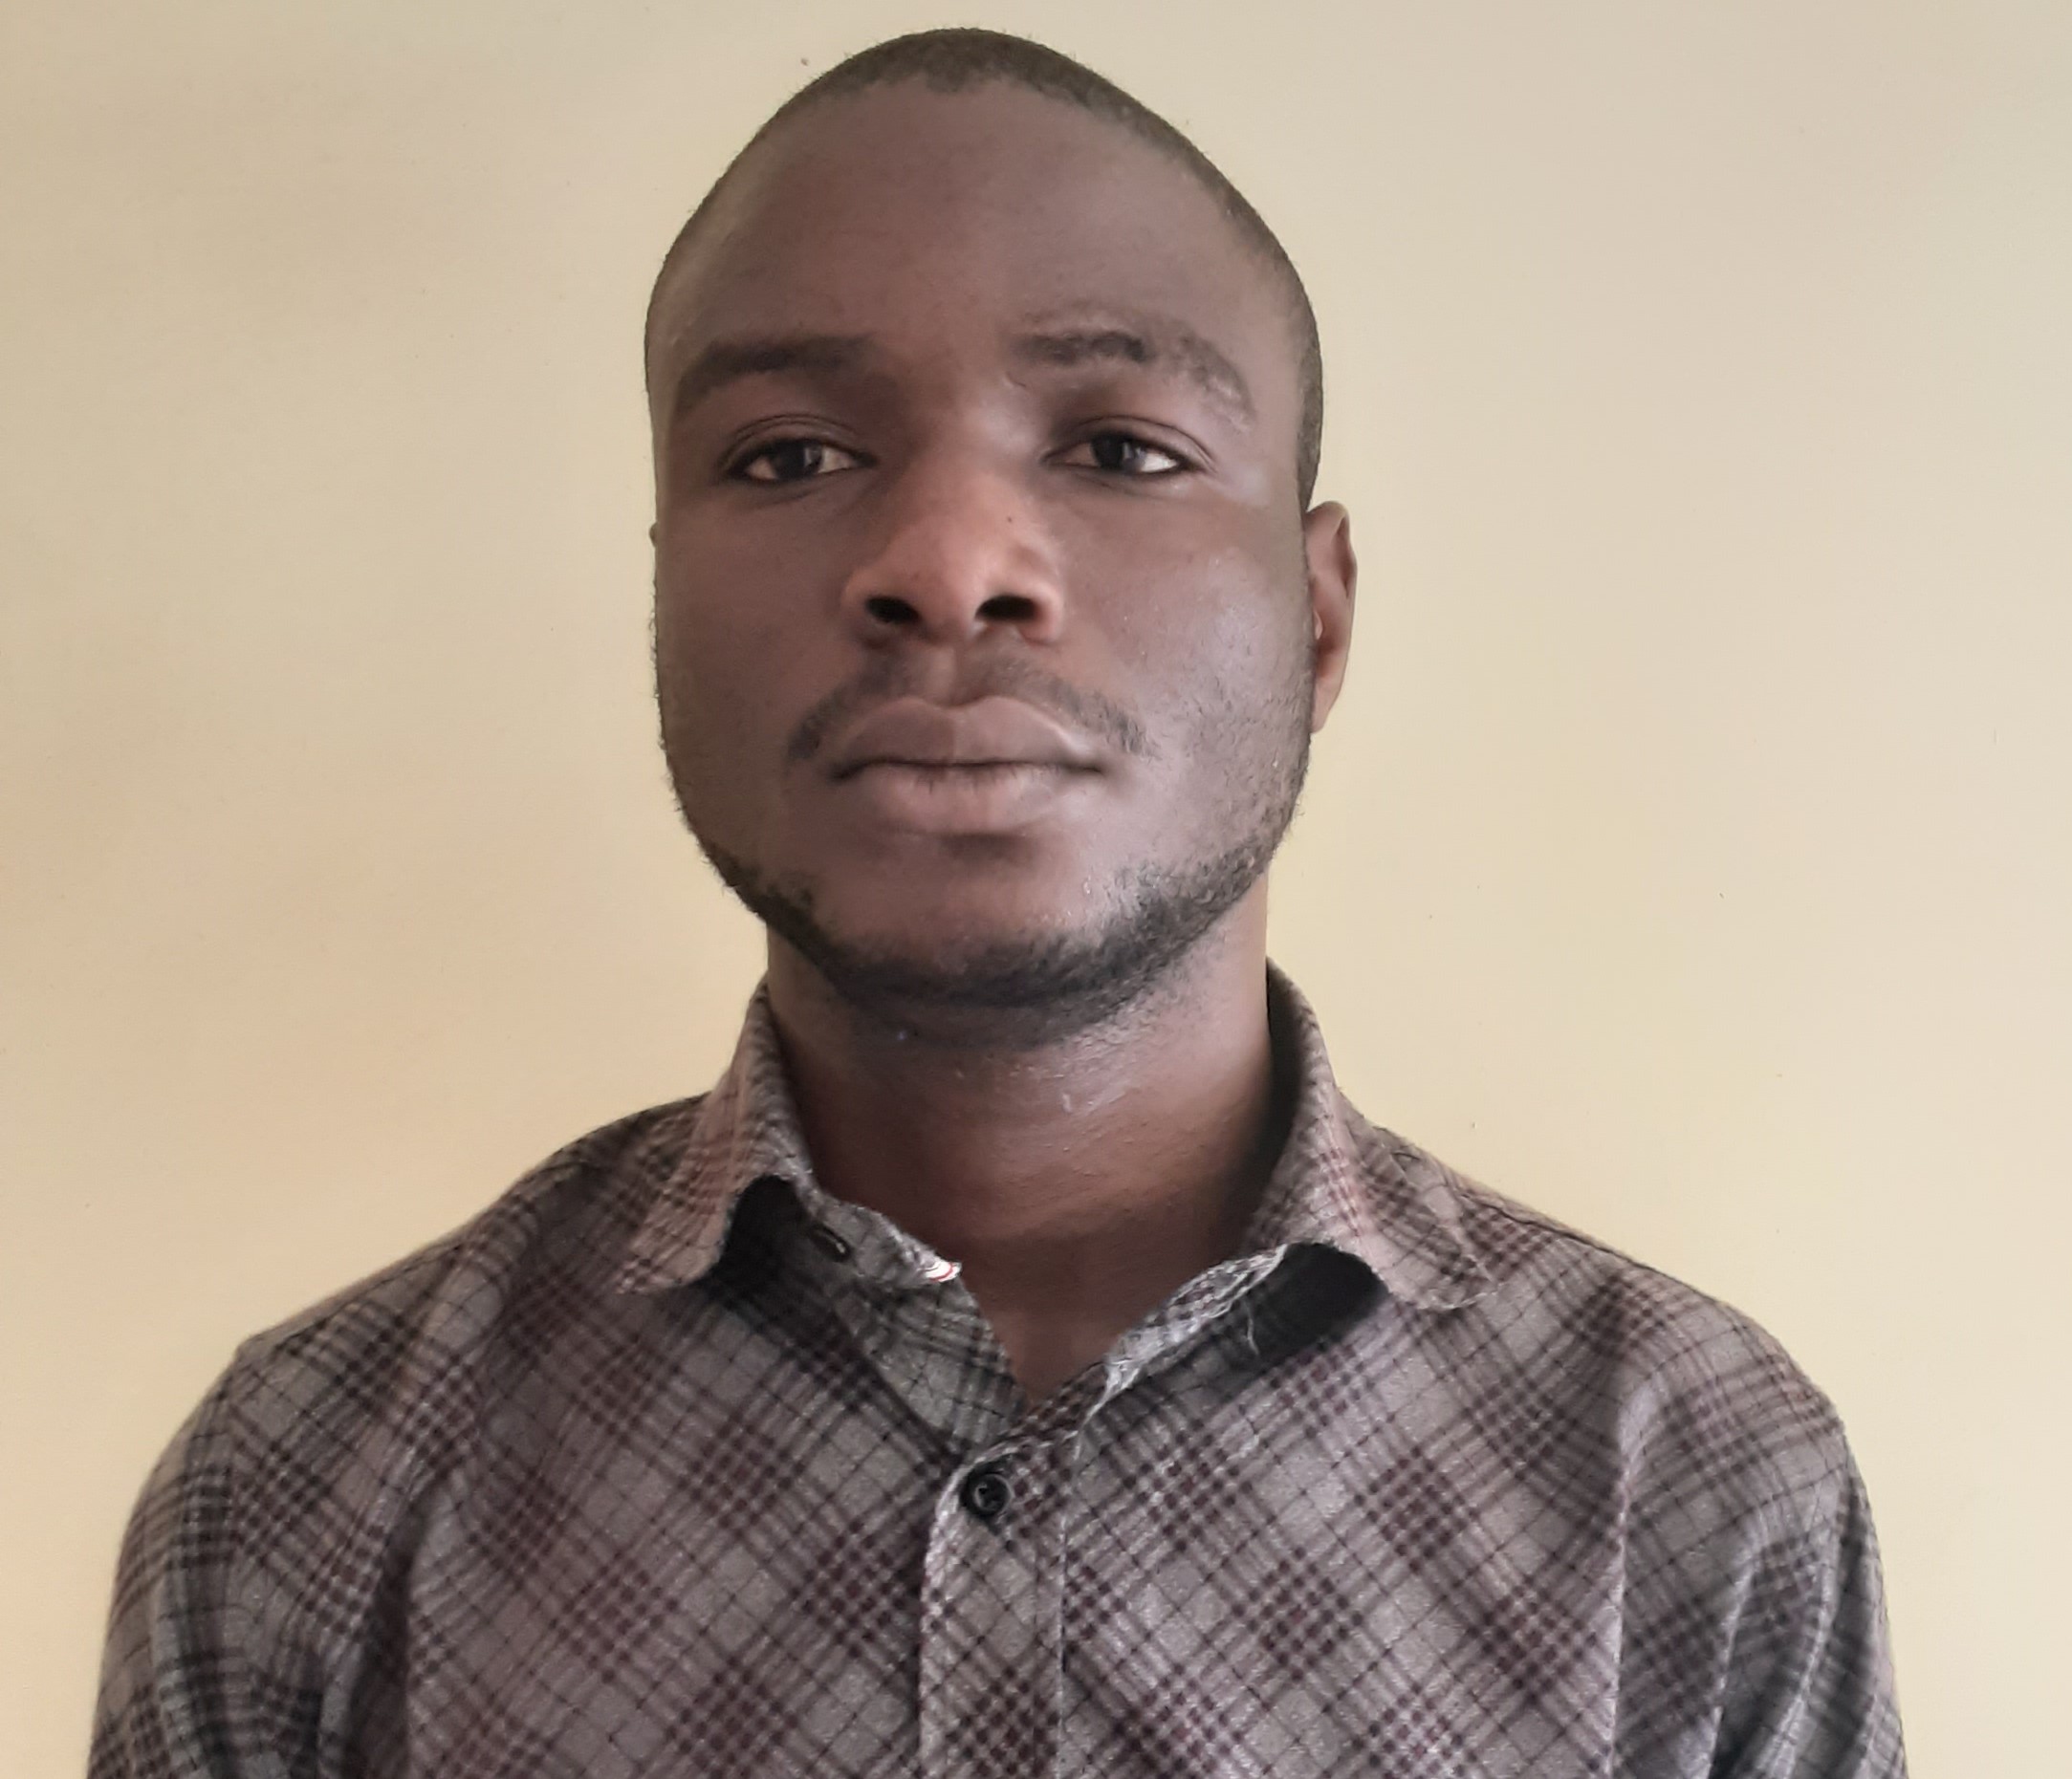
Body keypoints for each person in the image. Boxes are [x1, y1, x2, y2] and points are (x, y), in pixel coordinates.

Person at [90, 28, 1906, 1779]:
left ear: (1319, 615)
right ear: (660, 601)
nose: (951, 565)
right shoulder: (305, 1492)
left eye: (1120, 447)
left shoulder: (1692, 1487)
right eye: (789, 455)